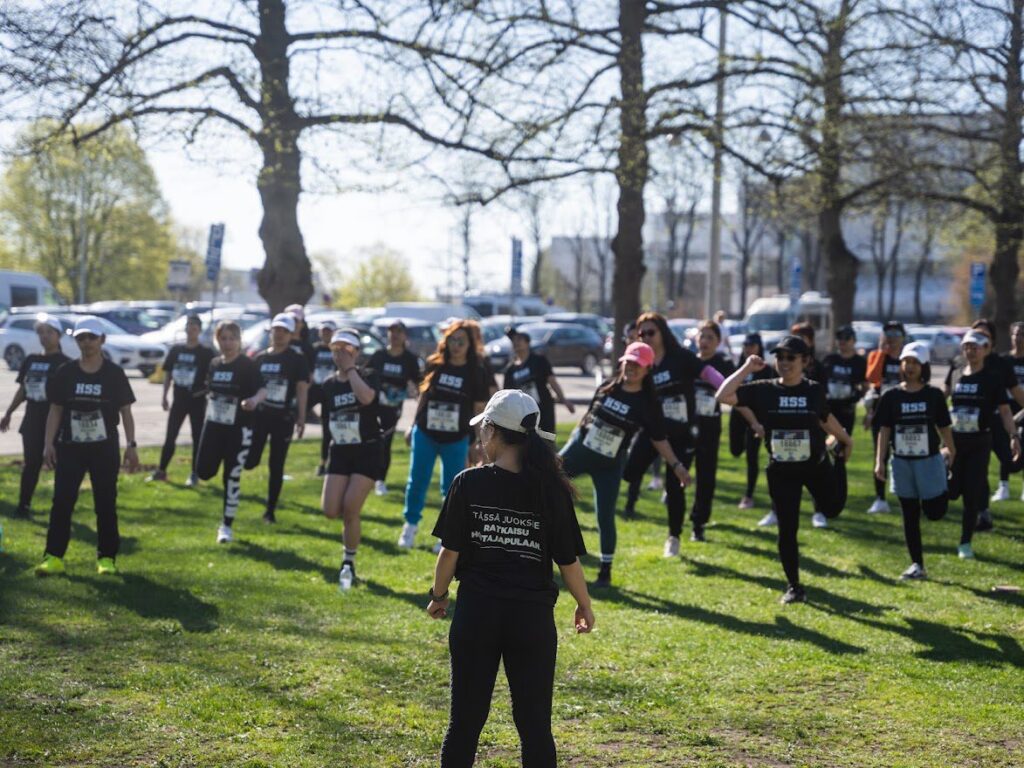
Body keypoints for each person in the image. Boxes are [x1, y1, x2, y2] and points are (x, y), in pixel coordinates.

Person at [428, 389, 593, 768]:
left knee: (465, 723)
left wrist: (438, 595)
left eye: (482, 430)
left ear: (491, 431)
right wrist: (584, 604)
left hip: (477, 614)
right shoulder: (552, 488)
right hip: (532, 620)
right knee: (535, 726)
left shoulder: (467, 483)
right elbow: (568, 561)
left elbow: (449, 553)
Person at [716, 335, 853, 604]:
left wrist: (846, 440)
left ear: (805, 361)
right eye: (780, 357)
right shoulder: (765, 389)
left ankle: (836, 461)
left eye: (791, 357)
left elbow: (825, 418)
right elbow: (723, 395)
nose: (785, 362)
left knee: (832, 509)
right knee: (787, 530)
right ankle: (794, 586)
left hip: (814, 466)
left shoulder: (813, 390)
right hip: (782, 471)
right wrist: (747, 367)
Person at [560, 340, 692, 586]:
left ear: (647, 369)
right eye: (628, 362)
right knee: (545, 484)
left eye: (637, 365)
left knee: (605, 516)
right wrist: (570, 445)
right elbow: (586, 419)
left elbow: (658, 439)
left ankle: (605, 571)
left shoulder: (648, 403)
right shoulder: (607, 387)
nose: (631, 368)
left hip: (609, 465)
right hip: (580, 451)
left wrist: (677, 466)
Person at [34, 316, 138, 576]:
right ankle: (53, 556)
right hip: (71, 447)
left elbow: (126, 411)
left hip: (104, 448)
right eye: (81, 337)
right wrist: (48, 443)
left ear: (102, 340)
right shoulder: (66, 373)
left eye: (92, 337)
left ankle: (107, 558)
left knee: (105, 502)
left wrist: (131, 444)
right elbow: (56, 409)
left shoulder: (114, 374)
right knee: (62, 501)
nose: (87, 342)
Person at [399, 320, 489, 550]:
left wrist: (479, 442)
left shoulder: (475, 371)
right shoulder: (435, 364)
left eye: (461, 341)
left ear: (470, 345)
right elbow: (423, 397)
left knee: (452, 486)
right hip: (426, 433)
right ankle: (410, 526)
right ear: (446, 342)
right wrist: (412, 425)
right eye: (452, 340)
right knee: (417, 480)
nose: (456, 345)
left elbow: (479, 409)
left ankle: (446, 535)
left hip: (457, 438)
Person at [873, 342, 955, 579]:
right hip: (901, 462)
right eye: (906, 362)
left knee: (935, 512)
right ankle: (917, 564)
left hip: (929, 461)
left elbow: (944, 425)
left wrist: (951, 449)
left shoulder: (933, 395)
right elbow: (884, 430)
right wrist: (879, 461)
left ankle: (944, 483)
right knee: (909, 514)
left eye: (915, 363)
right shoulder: (891, 396)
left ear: (924, 366)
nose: (910, 367)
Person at [945, 330, 1020, 559]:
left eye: (975, 347)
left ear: (985, 349)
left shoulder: (992, 378)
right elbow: (944, 400)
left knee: (972, 494)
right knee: (951, 491)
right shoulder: (956, 373)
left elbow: (1005, 411)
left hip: (979, 442)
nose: (971, 351)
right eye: (967, 347)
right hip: (956, 442)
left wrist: (1013, 435)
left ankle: (965, 543)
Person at [320, 328, 382, 589]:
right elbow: (327, 422)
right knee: (330, 510)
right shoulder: (328, 384)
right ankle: (349, 553)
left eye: (346, 349)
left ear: (356, 352)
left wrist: (351, 370)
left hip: (367, 450)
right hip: (340, 451)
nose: (340, 354)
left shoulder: (368, 376)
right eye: (336, 349)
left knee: (350, 509)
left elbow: (367, 398)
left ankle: (348, 562)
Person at [195, 321, 266, 544]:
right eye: (223, 338)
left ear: (239, 340)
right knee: (203, 471)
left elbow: (263, 389)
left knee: (231, 476)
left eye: (232, 338)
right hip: (214, 425)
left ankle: (226, 525)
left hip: (238, 429)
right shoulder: (215, 363)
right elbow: (210, 388)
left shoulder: (247, 365)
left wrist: (253, 400)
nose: (228, 343)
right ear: (217, 340)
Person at [0, 314, 70, 518]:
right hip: (32, 421)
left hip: (57, 423)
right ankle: (24, 506)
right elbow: (23, 390)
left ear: (58, 335)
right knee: (31, 465)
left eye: (49, 332)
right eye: (41, 332)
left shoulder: (66, 364)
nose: (44, 336)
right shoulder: (31, 360)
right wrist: (9, 413)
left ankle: (61, 510)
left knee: (61, 467)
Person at [245, 313, 310, 524]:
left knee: (276, 464)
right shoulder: (260, 358)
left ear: (291, 335)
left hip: (283, 418)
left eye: (284, 331)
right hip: (260, 417)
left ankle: (270, 510)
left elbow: (302, 389)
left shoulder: (297, 359)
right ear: (270, 332)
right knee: (251, 461)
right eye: (276, 330)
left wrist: (302, 417)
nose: (279, 334)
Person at [150, 314, 215, 486]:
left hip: (197, 401)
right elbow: (168, 374)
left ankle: (195, 473)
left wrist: (206, 390)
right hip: (178, 400)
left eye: (194, 327)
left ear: (199, 330)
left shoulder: (206, 353)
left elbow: (214, 375)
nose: (191, 330)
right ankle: (161, 471)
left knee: (197, 438)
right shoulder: (176, 350)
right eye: (189, 326)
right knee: (170, 436)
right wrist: (164, 396)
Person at [816, 324, 867, 528]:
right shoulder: (830, 359)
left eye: (846, 339)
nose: (843, 342)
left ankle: (836, 499)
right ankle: (819, 508)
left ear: (853, 341)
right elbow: (819, 382)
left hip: (846, 413)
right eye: (840, 339)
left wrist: (857, 395)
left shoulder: (859, 362)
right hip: (828, 413)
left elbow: (865, 385)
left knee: (839, 455)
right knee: (822, 455)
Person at [690, 320, 735, 541]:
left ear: (718, 342)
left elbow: (735, 393)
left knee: (705, 477)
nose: (705, 341)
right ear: (695, 338)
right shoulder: (688, 362)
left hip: (709, 429)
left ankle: (698, 523)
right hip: (686, 428)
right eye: (702, 336)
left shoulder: (723, 364)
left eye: (710, 337)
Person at [366, 320, 423, 495]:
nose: (395, 335)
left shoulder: (409, 359)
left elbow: (419, 383)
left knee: (385, 441)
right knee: (370, 440)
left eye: (398, 332)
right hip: (374, 406)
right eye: (391, 331)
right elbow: (366, 375)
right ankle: (367, 476)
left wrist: (419, 399)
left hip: (393, 408)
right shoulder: (379, 355)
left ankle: (380, 480)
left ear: (405, 336)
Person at [728, 333, 773, 517]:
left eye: (752, 345)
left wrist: (759, 422)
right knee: (735, 450)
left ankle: (748, 495)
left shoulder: (766, 370)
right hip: (737, 415)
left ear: (759, 347)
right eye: (746, 345)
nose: (748, 348)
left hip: (756, 419)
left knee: (751, 457)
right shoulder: (739, 366)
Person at [864, 320, 906, 514]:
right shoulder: (877, 356)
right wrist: (882, 352)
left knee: (904, 454)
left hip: (903, 413)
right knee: (880, 454)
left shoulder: (907, 358)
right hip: (881, 412)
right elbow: (872, 378)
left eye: (896, 335)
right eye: (888, 334)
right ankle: (880, 498)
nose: (892, 339)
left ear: (903, 337)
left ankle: (906, 494)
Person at [503, 326, 575, 434]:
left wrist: (564, 400)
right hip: (525, 415)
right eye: (513, 341)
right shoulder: (510, 370)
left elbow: (552, 382)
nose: (516, 343)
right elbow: (507, 395)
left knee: (547, 440)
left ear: (527, 343)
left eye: (519, 339)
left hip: (544, 410)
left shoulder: (539, 361)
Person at [992, 321, 1024, 501]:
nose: (1018, 338)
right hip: (1006, 410)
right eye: (1015, 334)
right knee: (1006, 448)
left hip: (1023, 410)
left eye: (1022, 334)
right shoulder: (1004, 361)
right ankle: (1003, 486)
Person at [311, 319, 338, 477]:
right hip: (316, 389)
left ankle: (326, 462)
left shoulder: (337, 349)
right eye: (324, 331)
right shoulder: (315, 349)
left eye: (329, 331)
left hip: (330, 392)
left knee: (328, 430)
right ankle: (323, 463)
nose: (326, 334)